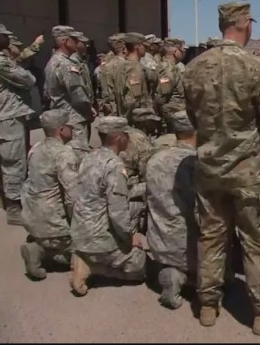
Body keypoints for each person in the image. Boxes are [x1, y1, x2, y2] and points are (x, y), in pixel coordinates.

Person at [183, 1, 260, 334]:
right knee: (256, 241)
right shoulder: (257, 68)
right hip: (249, 172)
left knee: (211, 237)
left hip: (209, 169)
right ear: (246, 25)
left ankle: (208, 306)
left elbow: (191, 119)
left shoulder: (194, 68)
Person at [70, 116, 146, 296]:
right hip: (100, 239)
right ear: (119, 138)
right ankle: (94, 267)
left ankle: (85, 258)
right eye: (127, 135)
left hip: (81, 233)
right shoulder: (114, 165)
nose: (129, 139)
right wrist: (130, 237)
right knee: (140, 264)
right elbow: (117, 213)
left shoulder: (89, 157)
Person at [146, 111, 198, 310]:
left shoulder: (155, 159)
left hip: (159, 241)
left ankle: (172, 274)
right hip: (187, 243)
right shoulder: (193, 161)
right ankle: (191, 278)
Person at [20, 110, 79, 280]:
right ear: (61, 130)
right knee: (91, 249)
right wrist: (80, 227)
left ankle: (41, 243)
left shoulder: (36, 149)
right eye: (69, 126)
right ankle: (41, 251)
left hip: (31, 215)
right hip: (52, 222)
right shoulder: (63, 153)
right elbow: (72, 197)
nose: (72, 129)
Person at [0, 26, 37, 225]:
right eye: (5, 35)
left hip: (3, 116)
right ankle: (14, 208)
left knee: (4, 160)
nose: (8, 38)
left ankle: (3, 199)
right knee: (14, 162)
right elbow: (28, 80)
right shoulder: (1, 62)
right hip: (8, 118)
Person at [44, 25, 93, 153]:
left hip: (61, 117)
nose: (77, 43)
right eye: (74, 40)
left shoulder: (52, 61)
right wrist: (89, 110)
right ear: (65, 41)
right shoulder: (66, 64)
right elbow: (78, 95)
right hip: (73, 119)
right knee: (78, 155)